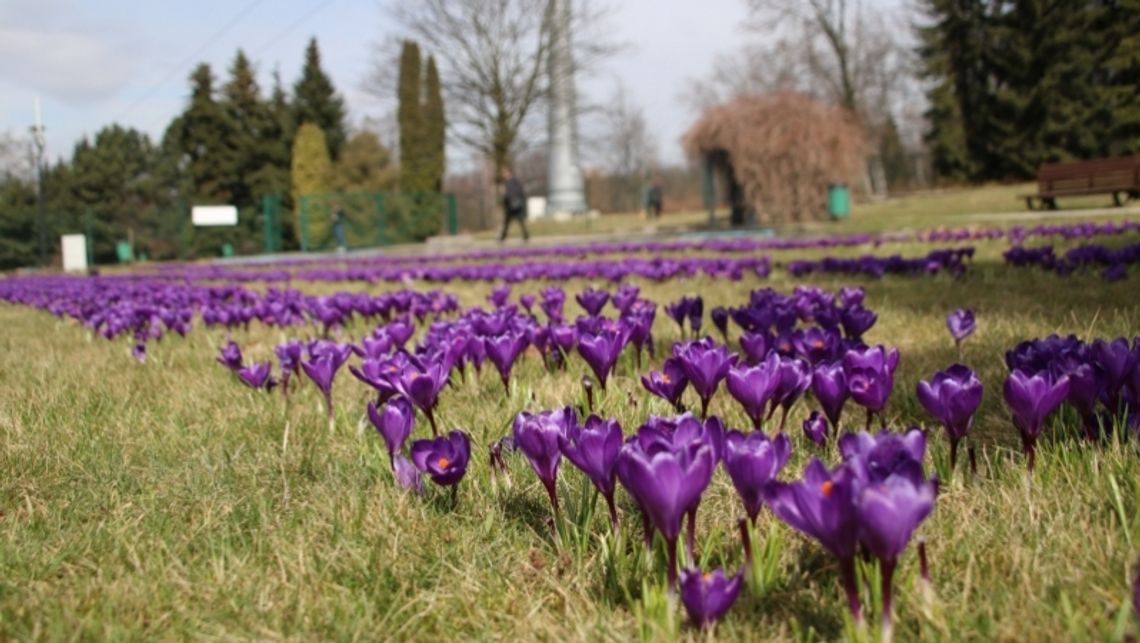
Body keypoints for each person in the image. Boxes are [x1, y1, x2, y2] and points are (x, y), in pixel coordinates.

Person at [499, 166, 529, 242]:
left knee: (520, 221)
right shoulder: (506, 182)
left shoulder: (514, 181)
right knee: (507, 223)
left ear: (509, 173)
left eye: (505, 173)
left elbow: (519, 192)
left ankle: (526, 236)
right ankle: (503, 237)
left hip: (516, 205)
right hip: (509, 206)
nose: (504, 174)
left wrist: (508, 195)